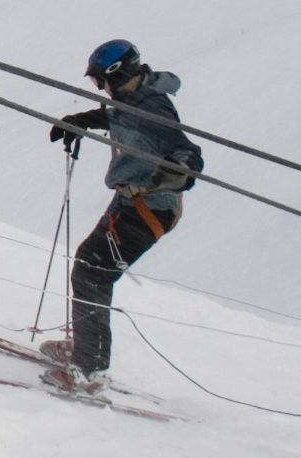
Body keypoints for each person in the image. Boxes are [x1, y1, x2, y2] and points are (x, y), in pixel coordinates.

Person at [41, 39, 199, 388]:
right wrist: (82, 120)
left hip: (146, 210)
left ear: (117, 73)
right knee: (89, 267)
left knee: (91, 274)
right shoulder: (132, 98)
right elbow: (116, 116)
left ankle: (88, 367)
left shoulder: (153, 107)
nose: (100, 87)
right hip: (131, 204)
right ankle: (86, 350)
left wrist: (178, 169)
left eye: (99, 80)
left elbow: (185, 150)